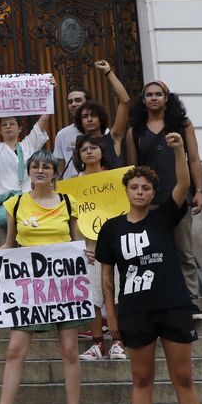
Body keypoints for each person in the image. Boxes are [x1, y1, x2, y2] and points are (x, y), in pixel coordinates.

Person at [97, 138, 200, 404]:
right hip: (134, 310)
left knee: (184, 377)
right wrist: (111, 315)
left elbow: (184, 185)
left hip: (173, 307)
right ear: (126, 191)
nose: (140, 192)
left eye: (146, 188)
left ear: (154, 193)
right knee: (142, 379)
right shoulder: (111, 228)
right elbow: (107, 276)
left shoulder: (163, 217)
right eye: (135, 187)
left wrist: (178, 150)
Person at [0, 150, 84, 404]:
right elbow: (9, 244)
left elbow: (76, 241)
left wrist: (88, 255)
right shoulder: (15, 204)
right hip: (29, 289)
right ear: (28, 171)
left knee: (70, 351)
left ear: (54, 173)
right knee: (15, 350)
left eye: (46, 167)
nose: (40, 170)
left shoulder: (68, 201)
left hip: (64, 286)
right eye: (35, 166)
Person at [125, 81, 202, 307]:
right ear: (143, 100)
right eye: (149, 94)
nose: (153, 98)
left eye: (158, 94)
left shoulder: (182, 124)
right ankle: (154, 298)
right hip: (147, 202)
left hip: (179, 198)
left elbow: (195, 159)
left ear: (166, 98)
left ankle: (191, 300)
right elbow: (133, 169)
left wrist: (199, 190)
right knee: (149, 252)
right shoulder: (135, 131)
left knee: (183, 252)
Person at [69, 133, 128, 362]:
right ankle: (97, 344)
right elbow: (73, 218)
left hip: (116, 246)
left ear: (102, 152)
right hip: (88, 246)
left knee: (116, 292)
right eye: (84, 149)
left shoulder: (116, 179)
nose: (89, 152)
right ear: (80, 155)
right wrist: (77, 248)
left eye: (94, 147)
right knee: (92, 295)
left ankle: (118, 341)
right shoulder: (73, 184)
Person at [0, 112, 50, 246]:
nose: (8, 127)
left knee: (30, 249)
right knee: (6, 255)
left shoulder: (29, 144)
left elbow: (44, 117)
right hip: (2, 209)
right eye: (4, 125)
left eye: (12, 124)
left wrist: (47, 94)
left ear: (20, 128)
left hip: (28, 206)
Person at [55, 60, 130, 178]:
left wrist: (108, 72)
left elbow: (125, 101)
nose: (89, 119)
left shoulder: (113, 137)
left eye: (93, 115)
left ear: (101, 118)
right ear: (80, 122)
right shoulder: (79, 147)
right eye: (85, 116)